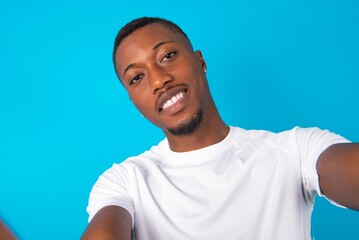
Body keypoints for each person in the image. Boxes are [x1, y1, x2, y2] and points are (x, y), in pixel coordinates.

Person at [81, 17, 359, 240]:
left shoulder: (295, 150)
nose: (158, 81)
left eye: (167, 56)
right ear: (134, 102)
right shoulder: (125, 182)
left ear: (199, 62)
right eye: (137, 77)